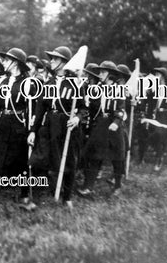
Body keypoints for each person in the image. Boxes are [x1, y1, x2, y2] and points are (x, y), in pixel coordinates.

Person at [0, 48, 36, 209]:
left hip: (19, 125)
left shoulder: (28, 83)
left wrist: (31, 131)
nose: (3, 62)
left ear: (15, 62)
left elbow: (32, 108)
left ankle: (25, 196)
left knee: (21, 161)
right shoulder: (1, 81)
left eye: (7, 60)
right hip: (1, 124)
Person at [27, 46, 84, 209]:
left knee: (67, 163)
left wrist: (77, 118)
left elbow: (83, 108)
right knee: (38, 161)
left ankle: (66, 198)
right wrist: (33, 131)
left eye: (55, 59)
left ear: (64, 62)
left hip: (67, 126)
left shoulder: (75, 84)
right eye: (51, 59)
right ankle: (35, 200)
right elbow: (40, 110)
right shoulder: (48, 83)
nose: (51, 62)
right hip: (48, 125)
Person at [78, 61, 126, 197]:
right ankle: (88, 187)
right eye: (100, 72)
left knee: (117, 157)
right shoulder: (97, 89)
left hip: (114, 126)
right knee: (94, 155)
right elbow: (92, 107)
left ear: (110, 75)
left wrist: (116, 121)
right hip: (100, 125)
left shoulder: (118, 89)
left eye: (103, 72)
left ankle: (117, 185)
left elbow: (121, 109)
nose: (100, 75)